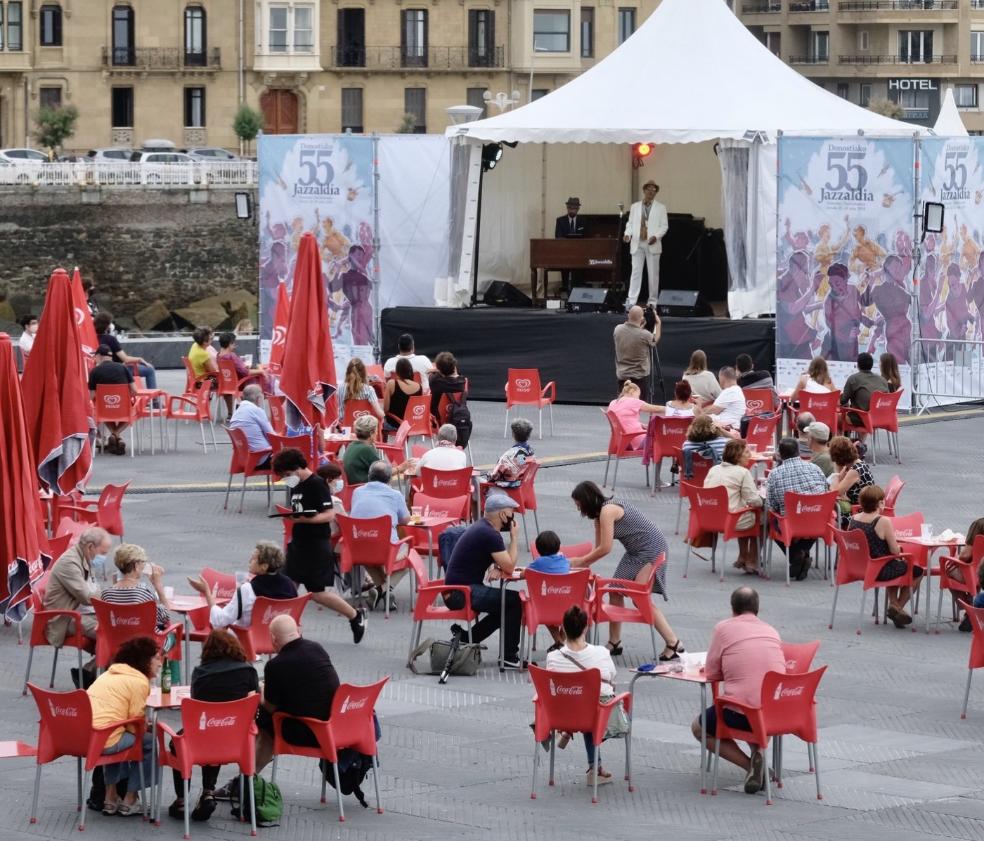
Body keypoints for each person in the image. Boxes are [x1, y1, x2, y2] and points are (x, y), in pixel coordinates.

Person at [214, 616, 340, 797]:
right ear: (297, 630)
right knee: (268, 720)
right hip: (334, 726)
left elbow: (271, 706)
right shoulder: (317, 649)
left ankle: (245, 779)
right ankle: (245, 778)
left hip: (310, 731)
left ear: (273, 639)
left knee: (265, 718)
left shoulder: (276, 665)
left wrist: (261, 690)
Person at [568, 481, 683, 660]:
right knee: (615, 590)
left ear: (587, 501)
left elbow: (605, 548)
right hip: (635, 551)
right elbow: (598, 549)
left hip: (651, 549)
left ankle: (674, 643)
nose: (578, 509)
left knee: (640, 598)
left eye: (578, 505)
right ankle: (615, 642)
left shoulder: (608, 511)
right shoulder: (599, 516)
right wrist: (583, 563)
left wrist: (580, 561)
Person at [690, 587, 785, 796]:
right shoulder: (771, 631)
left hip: (741, 714)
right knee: (753, 699)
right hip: (776, 713)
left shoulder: (723, 629)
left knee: (700, 727)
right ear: (757, 609)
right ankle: (759, 755)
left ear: (732, 609)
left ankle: (749, 765)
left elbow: (712, 674)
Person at [271, 447, 367, 643]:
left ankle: (355, 615)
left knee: (317, 593)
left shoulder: (317, 485)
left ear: (297, 468)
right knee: (287, 587)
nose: (286, 478)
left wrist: (304, 520)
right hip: (298, 543)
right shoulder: (296, 485)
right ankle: (288, 633)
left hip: (316, 545)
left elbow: (329, 514)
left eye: (287, 474)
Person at [164, 631, 260, 822]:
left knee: (179, 743)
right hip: (235, 737)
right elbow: (254, 702)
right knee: (217, 736)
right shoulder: (248, 671)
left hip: (203, 732)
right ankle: (208, 792)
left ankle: (182, 800)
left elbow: (197, 702)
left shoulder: (200, 673)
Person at [442, 493, 524, 668]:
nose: (512, 518)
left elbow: (495, 558)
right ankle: (509, 656)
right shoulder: (490, 534)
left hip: (458, 590)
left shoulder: (482, 527)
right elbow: (509, 566)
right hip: (461, 593)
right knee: (514, 601)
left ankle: (465, 638)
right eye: (511, 513)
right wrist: (514, 538)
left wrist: (496, 566)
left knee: (504, 606)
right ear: (503, 515)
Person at [545, 605, 618, 787]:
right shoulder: (601, 652)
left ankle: (595, 766)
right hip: (595, 715)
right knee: (596, 707)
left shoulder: (552, 657)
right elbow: (612, 675)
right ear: (586, 627)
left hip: (563, 714)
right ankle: (595, 768)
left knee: (583, 703)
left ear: (562, 627)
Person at [88, 636, 161, 815]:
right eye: (157, 658)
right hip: (105, 740)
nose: (160, 663)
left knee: (117, 731)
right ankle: (130, 797)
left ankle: (110, 797)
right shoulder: (139, 682)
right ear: (144, 661)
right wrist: (147, 727)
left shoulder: (107, 674)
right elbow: (134, 725)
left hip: (86, 738)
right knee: (150, 742)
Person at [847, 485, 922, 628]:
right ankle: (897, 607)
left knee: (895, 564)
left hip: (860, 567)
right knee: (916, 571)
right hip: (879, 569)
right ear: (880, 503)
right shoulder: (882, 521)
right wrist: (899, 551)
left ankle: (894, 607)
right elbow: (894, 550)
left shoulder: (853, 519)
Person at [188, 541, 297, 630]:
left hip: (248, 639)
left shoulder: (248, 589)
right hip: (282, 638)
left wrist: (207, 592)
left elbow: (219, 621)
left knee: (218, 632)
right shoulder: (289, 585)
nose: (249, 561)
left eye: (254, 559)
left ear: (264, 566)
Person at [349, 460, 411, 610]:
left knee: (370, 554)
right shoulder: (395, 494)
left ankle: (382, 591)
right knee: (412, 555)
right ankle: (383, 589)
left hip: (358, 548)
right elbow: (406, 520)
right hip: (384, 549)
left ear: (369, 476)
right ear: (389, 478)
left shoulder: (357, 491)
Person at [766, 437, 829, 580]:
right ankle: (803, 553)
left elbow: (771, 505)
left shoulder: (775, 474)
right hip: (817, 520)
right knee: (812, 518)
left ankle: (796, 554)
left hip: (791, 523)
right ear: (798, 451)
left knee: (772, 522)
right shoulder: (815, 468)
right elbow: (825, 492)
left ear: (780, 454)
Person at [44, 526, 109, 650]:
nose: (104, 558)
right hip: (64, 619)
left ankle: (90, 668)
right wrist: (111, 594)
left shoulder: (84, 556)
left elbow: (93, 590)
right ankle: (95, 668)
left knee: (118, 627)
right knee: (110, 634)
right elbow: (87, 598)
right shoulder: (70, 563)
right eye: (103, 553)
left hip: (82, 612)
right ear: (90, 547)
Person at [703, 440, 763, 573]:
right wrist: (762, 499)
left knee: (744, 509)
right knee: (763, 518)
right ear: (737, 456)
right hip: (730, 520)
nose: (750, 455)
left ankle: (743, 556)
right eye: (747, 452)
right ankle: (752, 560)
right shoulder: (742, 472)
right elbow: (754, 500)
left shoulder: (713, 469)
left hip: (709, 518)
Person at [100, 543, 172, 631]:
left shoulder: (106, 594)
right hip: (146, 642)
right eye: (143, 562)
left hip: (117, 641)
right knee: (172, 634)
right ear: (136, 565)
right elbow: (165, 617)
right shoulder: (143, 593)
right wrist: (158, 586)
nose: (144, 565)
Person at [623, 180, 668, 308]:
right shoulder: (635, 206)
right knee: (635, 272)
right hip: (637, 243)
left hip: (652, 244)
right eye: (649, 189)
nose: (651, 192)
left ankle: (652, 301)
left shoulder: (661, 207)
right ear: (644, 190)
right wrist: (627, 234)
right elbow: (630, 224)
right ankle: (631, 301)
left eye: (654, 190)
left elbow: (664, 226)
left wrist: (656, 236)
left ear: (656, 192)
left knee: (653, 274)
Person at [88, 343, 137, 455]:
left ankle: (114, 435)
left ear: (99, 356)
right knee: (131, 413)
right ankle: (116, 435)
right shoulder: (123, 368)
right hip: (124, 408)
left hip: (105, 409)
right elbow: (135, 390)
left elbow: (91, 396)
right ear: (110, 356)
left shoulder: (94, 371)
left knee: (104, 411)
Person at [93, 312, 158, 390]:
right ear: (107, 326)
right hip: (118, 371)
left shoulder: (91, 338)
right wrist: (140, 359)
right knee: (150, 370)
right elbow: (125, 359)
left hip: (98, 372)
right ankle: (155, 401)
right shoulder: (110, 339)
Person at [342, 415, 412, 484]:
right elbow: (383, 472)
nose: (377, 433)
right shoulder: (366, 449)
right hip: (364, 485)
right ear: (371, 433)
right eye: (376, 430)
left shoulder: (352, 445)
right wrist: (401, 467)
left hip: (355, 482)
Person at [613, 305, 661, 402]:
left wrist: (639, 323)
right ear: (641, 318)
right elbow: (654, 340)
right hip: (639, 377)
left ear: (628, 315)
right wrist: (658, 323)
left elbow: (631, 332)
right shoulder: (645, 335)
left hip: (623, 376)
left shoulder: (617, 329)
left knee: (623, 404)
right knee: (637, 406)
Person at [829, 435, 875, 526]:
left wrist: (835, 475)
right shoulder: (856, 464)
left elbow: (835, 492)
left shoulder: (854, 470)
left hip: (860, 511)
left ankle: (842, 539)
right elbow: (838, 486)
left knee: (829, 518)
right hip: (859, 506)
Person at [606, 381, 667, 449]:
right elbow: (656, 409)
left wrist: (641, 425)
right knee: (666, 437)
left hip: (621, 441)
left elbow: (623, 420)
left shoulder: (613, 402)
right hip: (636, 440)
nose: (638, 399)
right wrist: (673, 409)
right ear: (632, 392)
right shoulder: (633, 401)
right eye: (638, 395)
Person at [841, 352, 889, 434]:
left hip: (863, 418)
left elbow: (843, 400)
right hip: (882, 417)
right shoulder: (882, 380)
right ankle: (860, 444)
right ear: (872, 365)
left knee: (838, 418)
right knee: (861, 409)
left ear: (858, 365)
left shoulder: (853, 379)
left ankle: (844, 445)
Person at [228, 384, 274, 467]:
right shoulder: (256, 411)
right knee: (296, 458)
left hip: (244, 459)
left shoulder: (236, 413)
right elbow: (272, 436)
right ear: (258, 399)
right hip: (261, 458)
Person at [488, 418, 535, 487]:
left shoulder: (512, 453)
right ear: (529, 435)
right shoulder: (530, 451)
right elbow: (521, 465)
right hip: (522, 484)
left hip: (508, 487)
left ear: (513, 434)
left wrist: (489, 474)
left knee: (476, 481)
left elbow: (495, 476)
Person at [555, 197, 587, 295]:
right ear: (567, 208)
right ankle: (566, 289)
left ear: (578, 209)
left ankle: (578, 291)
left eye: (574, 208)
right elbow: (558, 237)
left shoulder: (583, 221)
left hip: (579, 254)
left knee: (580, 268)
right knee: (564, 265)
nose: (572, 210)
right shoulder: (560, 220)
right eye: (570, 208)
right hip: (565, 254)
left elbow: (587, 238)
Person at [338, 357, 384, 422]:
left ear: (348, 372)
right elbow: (380, 414)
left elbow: (339, 412)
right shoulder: (369, 390)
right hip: (365, 428)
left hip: (345, 429)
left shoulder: (340, 388)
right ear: (364, 373)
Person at [383, 357, 424, 431]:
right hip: (413, 424)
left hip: (394, 424)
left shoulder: (392, 383)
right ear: (411, 370)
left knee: (381, 422)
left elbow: (386, 409)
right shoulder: (419, 386)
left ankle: (384, 442)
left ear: (397, 371)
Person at [700, 367, 746, 431]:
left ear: (722, 377)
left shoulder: (730, 391)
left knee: (698, 419)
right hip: (728, 426)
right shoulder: (736, 390)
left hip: (726, 428)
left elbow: (713, 410)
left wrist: (699, 410)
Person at [428, 351, 468, 421]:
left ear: (439, 370)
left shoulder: (435, 381)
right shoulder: (462, 381)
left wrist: (437, 371)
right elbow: (457, 374)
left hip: (438, 419)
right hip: (456, 416)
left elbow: (431, 376)